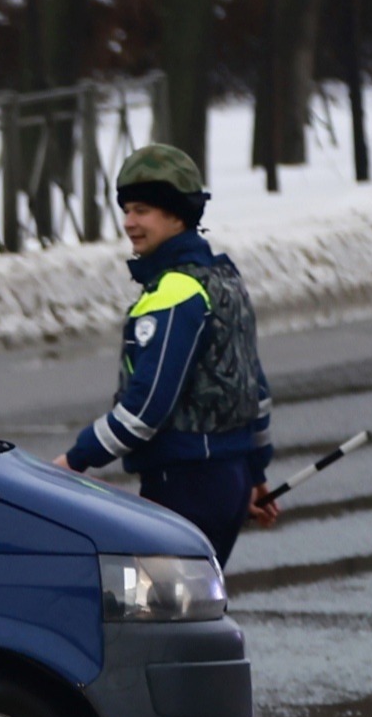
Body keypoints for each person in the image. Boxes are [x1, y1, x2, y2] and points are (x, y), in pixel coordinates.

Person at [52, 144, 279, 565]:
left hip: (186, 484)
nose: (129, 223)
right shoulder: (223, 279)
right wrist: (254, 472)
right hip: (226, 479)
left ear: (177, 215)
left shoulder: (175, 293)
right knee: (193, 600)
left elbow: (147, 407)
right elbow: (255, 389)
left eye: (142, 211)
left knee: (153, 602)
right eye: (126, 210)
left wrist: (74, 461)